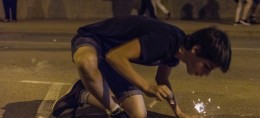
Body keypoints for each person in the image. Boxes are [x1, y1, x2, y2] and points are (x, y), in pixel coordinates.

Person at [52, 15, 232, 118]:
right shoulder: (164, 41)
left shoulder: (176, 51)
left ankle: (81, 94)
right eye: (207, 66)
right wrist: (146, 87)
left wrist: (179, 112)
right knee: (86, 63)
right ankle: (115, 111)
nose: (205, 73)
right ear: (195, 50)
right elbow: (116, 56)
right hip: (93, 40)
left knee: (139, 114)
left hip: (113, 57)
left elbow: (161, 79)